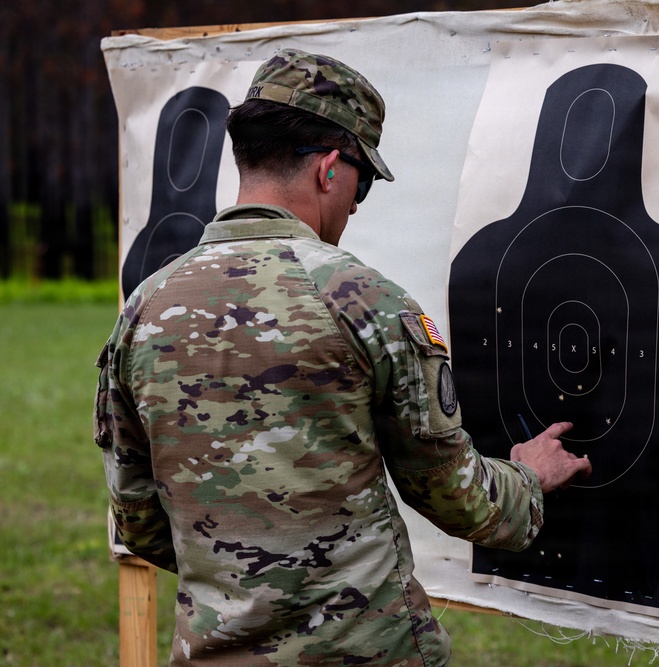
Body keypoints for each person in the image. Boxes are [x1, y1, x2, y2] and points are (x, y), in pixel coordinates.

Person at [93, 49, 591, 666]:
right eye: (363, 182)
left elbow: (139, 520)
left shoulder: (143, 308)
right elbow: (460, 499)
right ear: (331, 168)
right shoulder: (363, 301)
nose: (357, 205)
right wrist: (529, 477)